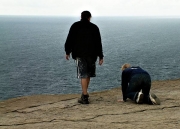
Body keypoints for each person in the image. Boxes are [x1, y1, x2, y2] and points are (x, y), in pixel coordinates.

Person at [64, 11, 104, 104]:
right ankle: (85, 93)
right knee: (88, 74)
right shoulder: (94, 27)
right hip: (92, 54)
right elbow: (98, 43)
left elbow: (69, 39)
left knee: (83, 74)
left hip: (79, 54)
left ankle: (85, 96)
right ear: (89, 17)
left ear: (81, 17)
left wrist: (67, 51)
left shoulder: (75, 26)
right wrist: (101, 56)